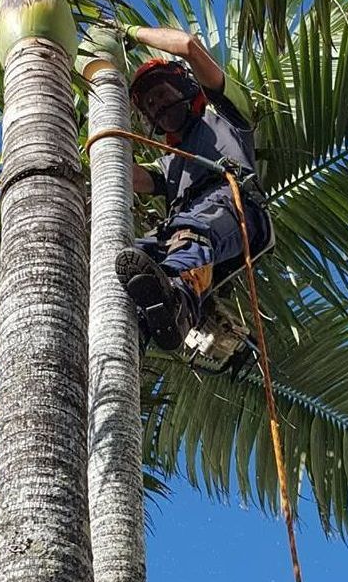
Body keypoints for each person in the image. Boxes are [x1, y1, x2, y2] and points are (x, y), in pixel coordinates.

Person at [113, 24, 272, 352]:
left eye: (160, 93)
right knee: (133, 256)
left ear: (183, 85)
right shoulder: (170, 163)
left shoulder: (226, 116)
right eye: (149, 105)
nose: (157, 105)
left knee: (190, 230)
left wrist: (130, 32)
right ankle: (138, 327)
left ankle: (180, 303)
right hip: (187, 230)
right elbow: (125, 175)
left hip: (234, 207)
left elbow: (188, 45)